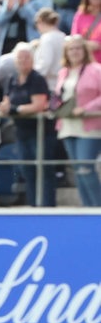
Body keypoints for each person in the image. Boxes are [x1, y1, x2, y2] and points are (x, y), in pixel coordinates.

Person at [0, 42, 55, 207]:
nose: (23, 61)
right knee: (27, 171)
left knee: (43, 171)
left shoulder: (37, 79)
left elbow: (38, 105)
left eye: (26, 57)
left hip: (40, 133)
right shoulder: (12, 80)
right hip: (21, 132)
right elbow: (6, 102)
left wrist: (15, 109)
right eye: (20, 58)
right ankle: (33, 206)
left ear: (32, 59)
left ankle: (47, 207)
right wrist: (6, 107)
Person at [54, 36, 101, 207]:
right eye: (71, 49)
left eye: (78, 48)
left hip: (89, 126)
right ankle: (87, 210)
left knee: (85, 168)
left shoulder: (96, 70)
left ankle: (97, 209)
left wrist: (86, 108)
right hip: (67, 125)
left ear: (85, 50)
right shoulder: (63, 72)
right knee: (77, 171)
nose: (75, 52)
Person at [71, 0, 101, 64]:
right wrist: (85, 45)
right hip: (85, 63)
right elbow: (74, 36)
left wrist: (98, 45)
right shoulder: (80, 15)